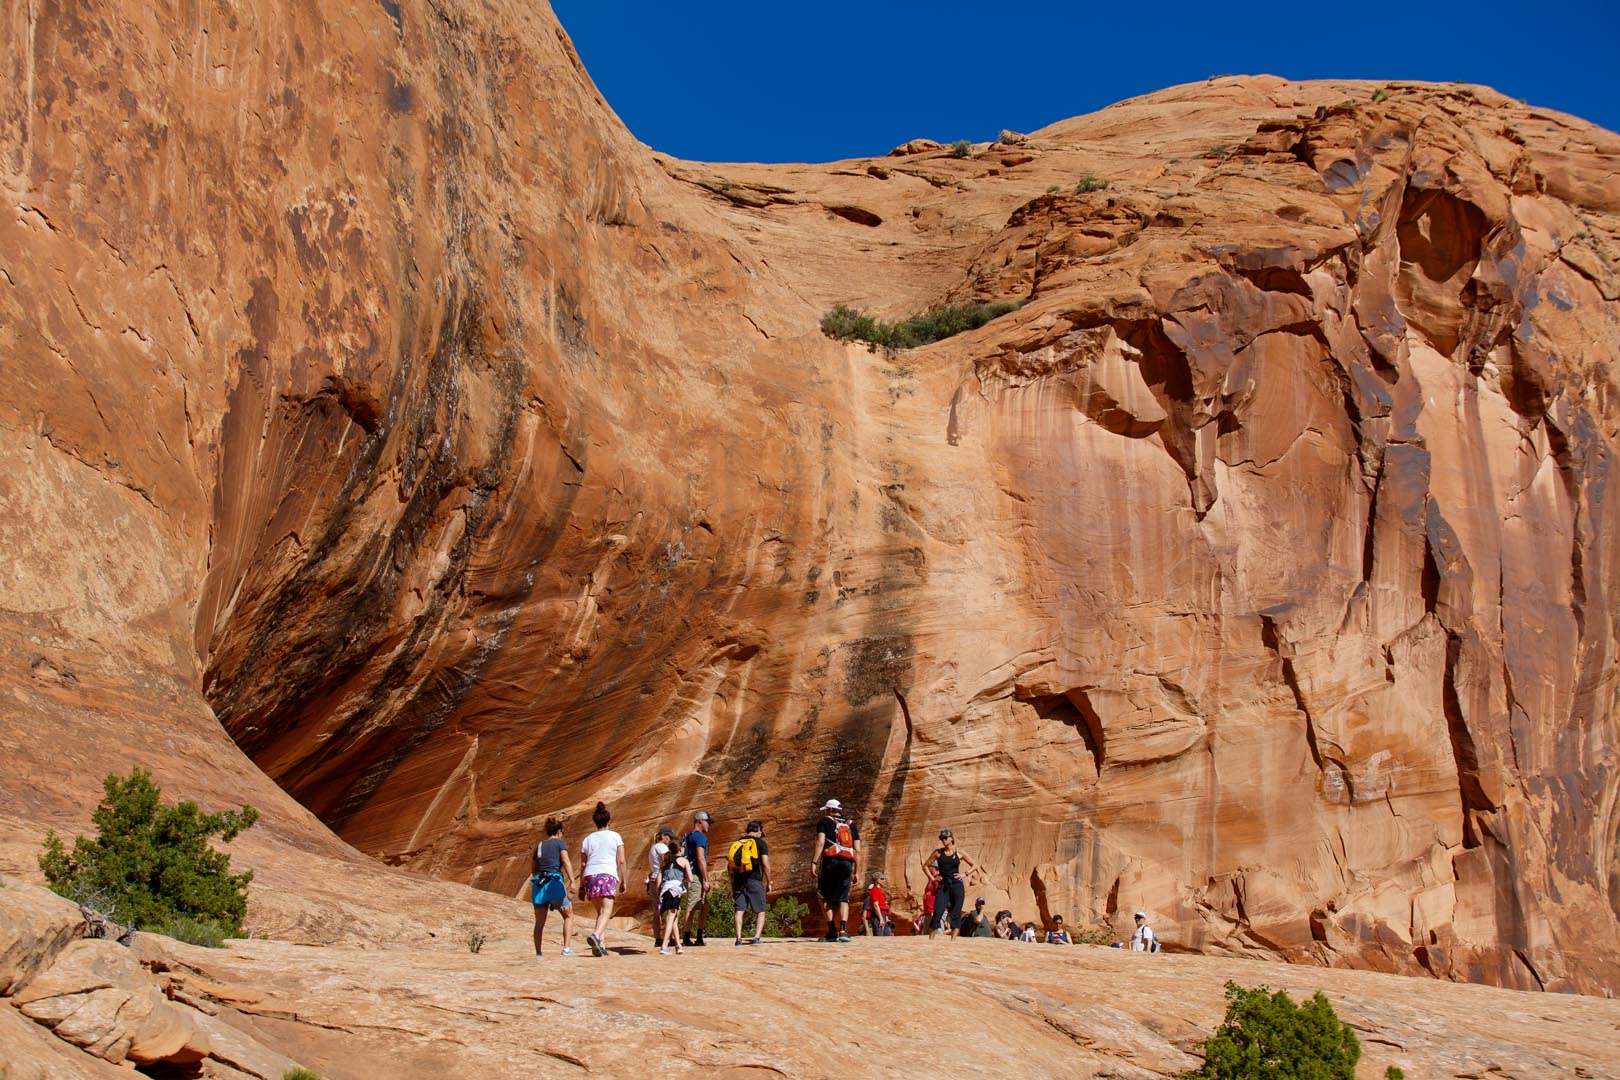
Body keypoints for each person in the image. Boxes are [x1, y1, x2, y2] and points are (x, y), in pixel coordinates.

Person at [578, 801, 625, 957]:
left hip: (590, 876)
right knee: (607, 911)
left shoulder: (587, 839)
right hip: (607, 874)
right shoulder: (615, 837)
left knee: (600, 912)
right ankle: (596, 935)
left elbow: (583, 864)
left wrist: (581, 887)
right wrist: (623, 880)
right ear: (608, 821)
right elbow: (621, 861)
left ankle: (601, 945)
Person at [809, 798, 859, 942]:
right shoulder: (851, 824)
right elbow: (858, 849)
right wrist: (857, 871)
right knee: (844, 897)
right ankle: (843, 930)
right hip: (847, 862)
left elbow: (820, 842)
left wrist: (814, 862)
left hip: (830, 861)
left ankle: (831, 931)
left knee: (823, 897)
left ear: (829, 810)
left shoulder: (824, 822)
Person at [531, 817, 577, 957]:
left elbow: (533, 868)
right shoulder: (559, 843)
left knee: (539, 922)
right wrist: (573, 881)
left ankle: (538, 952)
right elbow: (566, 861)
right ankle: (566, 949)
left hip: (539, 885)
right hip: (554, 883)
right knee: (568, 915)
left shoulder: (539, 846)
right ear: (558, 831)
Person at [924, 829, 978, 939]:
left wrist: (964, 874)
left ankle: (953, 942)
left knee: (956, 913)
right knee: (938, 912)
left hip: (957, 885)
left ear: (951, 838)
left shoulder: (959, 852)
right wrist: (933, 879)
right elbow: (925, 866)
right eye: (941, 838)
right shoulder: (938, 852)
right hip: (943, 885)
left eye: (945, 838)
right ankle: (931, 941)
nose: (943, 840)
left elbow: (975, 865)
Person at [729, 820, 771, 945]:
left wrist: (732, 884)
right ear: (758, 830)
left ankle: (738, 939)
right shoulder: (761, 844)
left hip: (738, 879)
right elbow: (765, 864)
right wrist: (770, 881)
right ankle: (756, 938)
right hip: (754, 879)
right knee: (760, 910)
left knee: (739, 909)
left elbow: (730, 865)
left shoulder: (737, 843)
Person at [655, 841, 693, 955]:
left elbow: (658, 880)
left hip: (665, 890)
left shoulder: (665, 862)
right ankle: (664, 946)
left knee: (675, 916)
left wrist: (658, 895)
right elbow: (690, 878)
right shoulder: (684, 861)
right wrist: (681, 879)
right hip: (675, 890)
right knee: (671, 917)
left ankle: (678, 945)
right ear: (680, 850)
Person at [680, 811, 712, 947]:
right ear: (700, 821)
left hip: (688, 873)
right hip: (696, 875)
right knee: (692, 905)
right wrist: (705, 878)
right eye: (707, 822)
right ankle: (686, 938)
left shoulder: (687, 835)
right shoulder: (700, 837)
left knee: (704, 906)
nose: (709, 825)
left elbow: (681, 853)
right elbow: (700, 858)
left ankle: (699, 936)